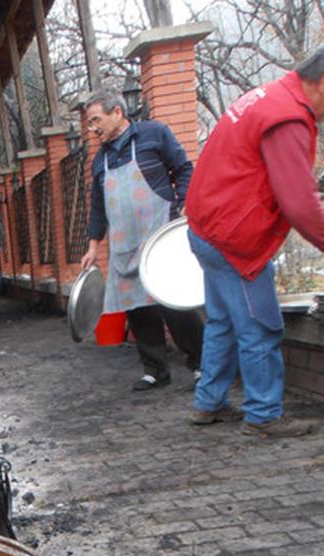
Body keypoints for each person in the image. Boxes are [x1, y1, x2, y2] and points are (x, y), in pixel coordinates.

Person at [185, 50, 324, 437]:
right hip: (235, 240)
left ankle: (207, 403)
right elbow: (300, 204)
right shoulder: (288, 117)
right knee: (260, 327)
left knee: (223, 323)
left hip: (205, 228)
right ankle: (264, 415)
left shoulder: (267, 96)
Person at [80, 87, 203, 391]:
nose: (92, 128)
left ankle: (202, 364)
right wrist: (94, 245)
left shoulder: (154, 134)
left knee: (174, 303)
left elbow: (184, 169)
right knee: (137, 308)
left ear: (117, 112)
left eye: (96, 120)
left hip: (158, 235)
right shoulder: (100, 160)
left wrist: (183, 204)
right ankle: (155, 370)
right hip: (124, 244)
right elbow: (97, 205)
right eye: (89, 122)